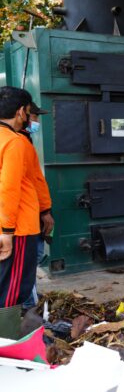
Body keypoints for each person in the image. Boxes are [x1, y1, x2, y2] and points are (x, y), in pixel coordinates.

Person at [0, 87, 40, 324]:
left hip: (6, 224)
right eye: (27, 111)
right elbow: (9, 187)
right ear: (20, 112)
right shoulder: (14, 142)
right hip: (17, 228)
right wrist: (6, 232)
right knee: (13, 288)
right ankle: (7, 339)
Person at [18, 102, 54, 309]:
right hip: (25, 217)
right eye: (35, 117)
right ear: (23, 114)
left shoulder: (23, 140)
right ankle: (28, 304)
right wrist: (45, 210)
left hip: (29, 213)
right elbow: (34, 181)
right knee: (30, 261)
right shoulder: (18, 143)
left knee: (30, 260)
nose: (37, 121)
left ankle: (28, 295)